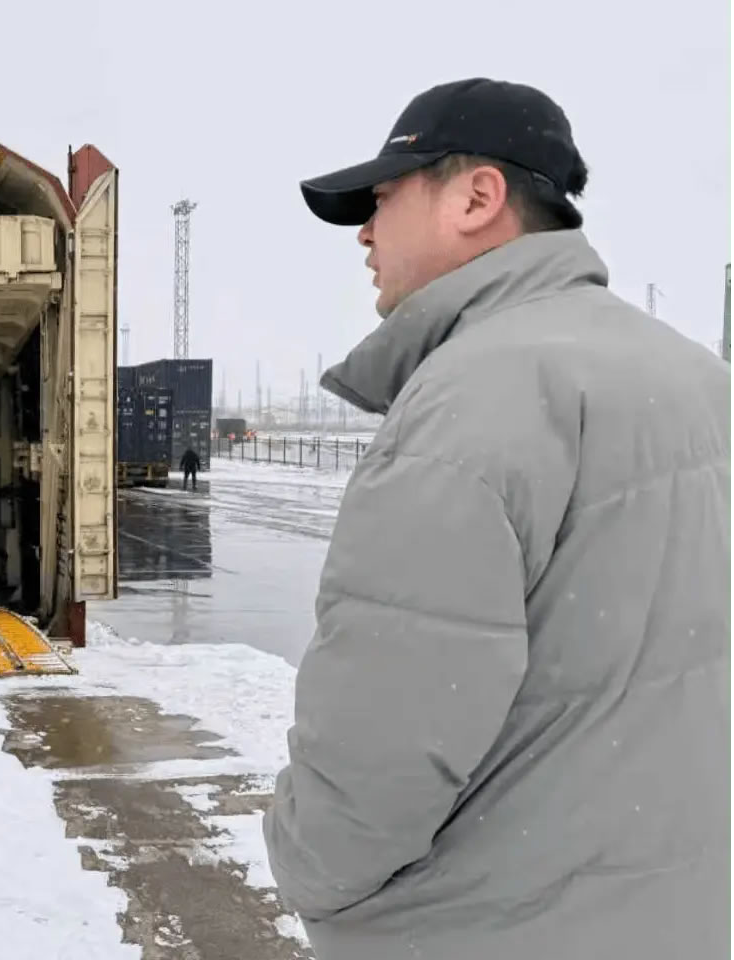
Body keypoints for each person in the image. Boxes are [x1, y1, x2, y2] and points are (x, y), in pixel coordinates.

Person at [261, 78, 729, 959]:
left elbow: (385, 739)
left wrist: (303, 864)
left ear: (476, 197)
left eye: (380, 198)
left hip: (488, 925)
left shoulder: (471, 397)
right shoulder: (697, 378)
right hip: (675, 911)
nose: (363, 232)